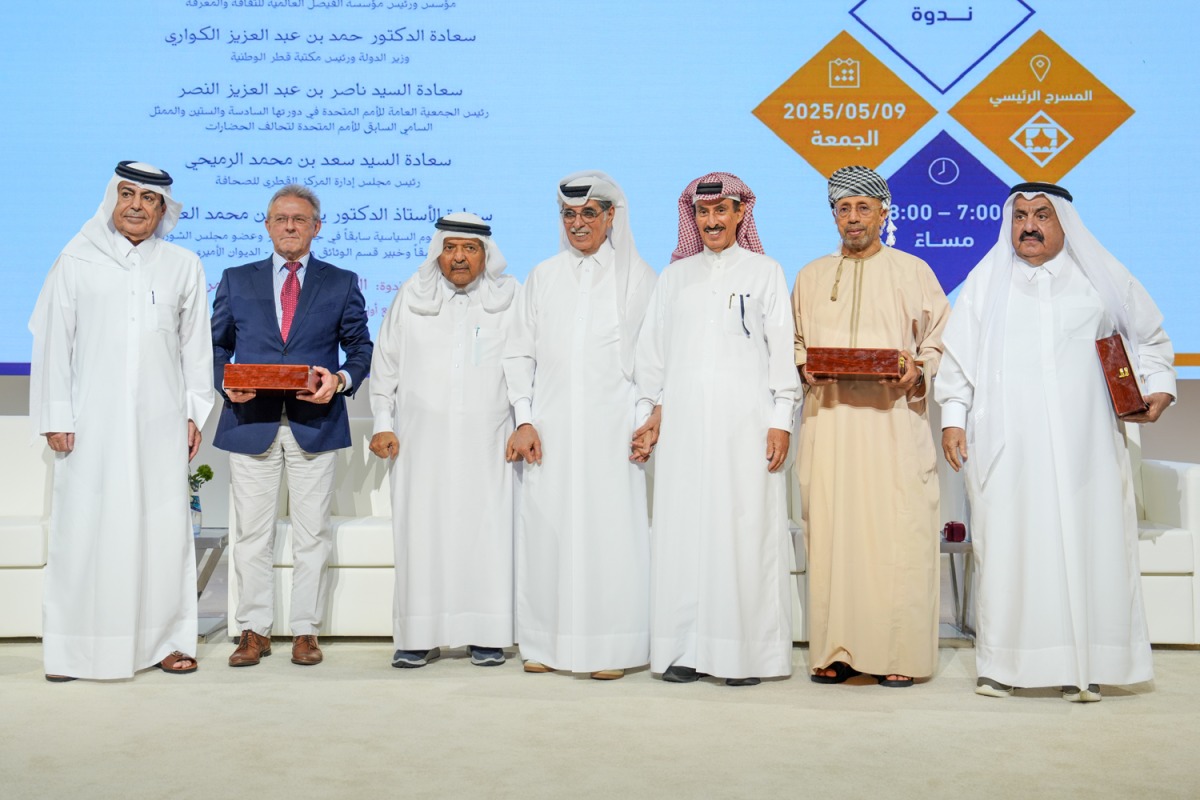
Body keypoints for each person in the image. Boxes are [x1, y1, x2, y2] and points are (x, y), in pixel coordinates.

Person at [936, 182, 1175, 702]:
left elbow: (1150, 339)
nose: (1029, 225)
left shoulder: (1103, 279)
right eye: (1020, 215)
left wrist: (1158, 389)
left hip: (1085, 448)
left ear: (1064, 222)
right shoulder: (986, 281)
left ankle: (1085, 666)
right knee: (1010, 553)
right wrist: (953, 418)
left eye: (1042, 215)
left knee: (1091, 548)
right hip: (1008, 450)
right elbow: (958, 364)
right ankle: (1004, 666)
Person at [29, 160, 214, 681]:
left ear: (163, 209)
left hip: (160, 425)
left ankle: (166, 642)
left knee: (162, 532)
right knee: (84, 531)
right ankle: (72, 649)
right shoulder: (76, 260)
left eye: (149, 199)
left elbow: (196, 351)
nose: (136, 205)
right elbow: (52, 345)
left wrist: (192, 414)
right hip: (90, 424)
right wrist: (55, 414)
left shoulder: (183, 265)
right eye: (127, 194)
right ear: (113, 198)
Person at [632, 172, 798, 687]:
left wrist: (780, 421)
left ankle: (741, 655)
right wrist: (650, 411)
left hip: (745, 429)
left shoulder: (766, 272)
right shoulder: (673, 278)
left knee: (742, 535)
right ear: (693, 217)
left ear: (740, 214)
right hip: (684, 433)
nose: (712, 222)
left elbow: (781, 354)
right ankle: (683, 649)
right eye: (703, 214)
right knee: (684, 535)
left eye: (721, 212)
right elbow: (651, 358)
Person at [792, 165, 950, 688]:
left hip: (892, 428)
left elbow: (941, 341)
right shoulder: (812, 275)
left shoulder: (913, 270)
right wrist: (802, 364)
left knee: (897, 535)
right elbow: (794, 342)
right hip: (831, 424)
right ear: (833, 214)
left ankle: (898, 653)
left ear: (884, 212)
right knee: (835, 535)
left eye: (864, 207)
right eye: (844, 208)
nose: (853, 218)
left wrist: (918, 367)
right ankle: (837, 650)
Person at [503, 171, 656, 680]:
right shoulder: (543, 275)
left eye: (590, 213)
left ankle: (611, 649)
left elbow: (653, 361)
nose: (579, 224)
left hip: (615, 431)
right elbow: (519, 354)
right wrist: (523, 420)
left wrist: (643, 422)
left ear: (611, 216)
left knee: (611, 537)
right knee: (547, 535)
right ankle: (545, 643)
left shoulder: (639, 277)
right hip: (549, 431)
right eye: (569, 215)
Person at [212, 185, 373, 668]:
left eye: (299, 220)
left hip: (315, 422)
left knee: (312, 533)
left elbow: (361, 349)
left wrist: (341, 380)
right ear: (267, 225)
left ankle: (306, 631)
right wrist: (225, 382)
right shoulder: (235, 278)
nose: (289, 226)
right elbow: (215, 347)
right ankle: (253, 630)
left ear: (315, 227)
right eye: (280, 218)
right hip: (250, 422)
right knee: (251, 535)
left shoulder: (341, 281)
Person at [368, 213, 518, 669]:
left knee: (486, 532)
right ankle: (418, 634)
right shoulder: (410, 297)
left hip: (489, 443)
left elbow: (525, 366)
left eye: (469, 248)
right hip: (421, 443)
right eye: (450, 247)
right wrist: (381, 422)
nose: (458, 257)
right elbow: (386, 365)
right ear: (437, 251)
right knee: (422, 534)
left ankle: (486, 633)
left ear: (485, 255)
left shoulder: (510, 299)